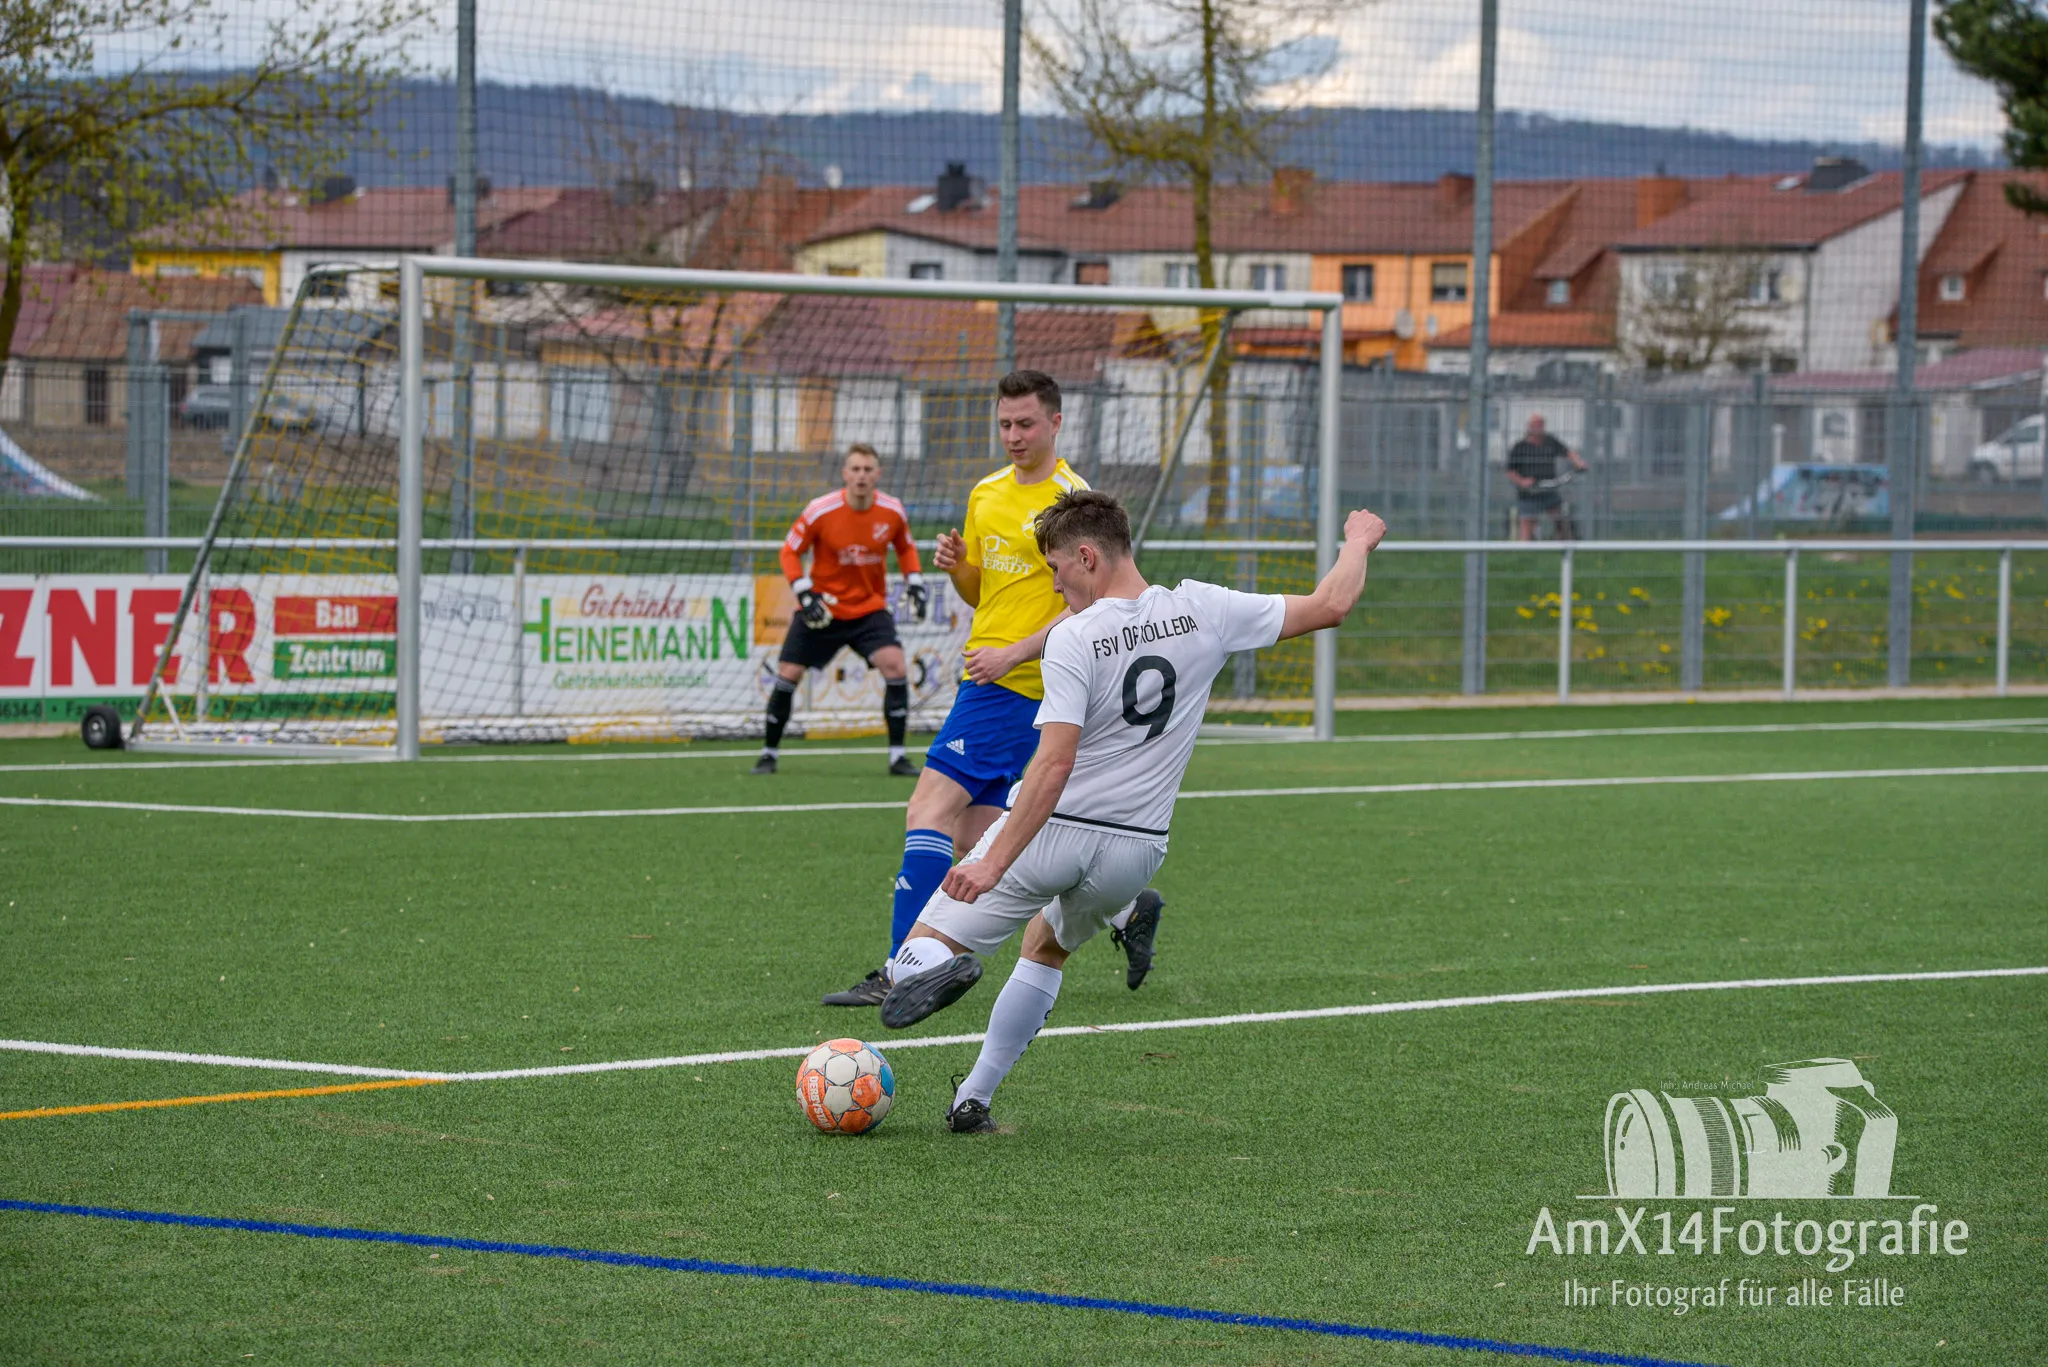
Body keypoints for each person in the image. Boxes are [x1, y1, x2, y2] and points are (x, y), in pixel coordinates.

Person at [880, 488, 1388, 1133]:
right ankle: (972, 1100)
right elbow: (1331, 604)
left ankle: (936, 968)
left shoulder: (1073, 636)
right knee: (1046, 947)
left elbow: (1053, 765)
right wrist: (1357, 542)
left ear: (1087, 557)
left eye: (1057, 571)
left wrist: (994, 862)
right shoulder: (1204, 608)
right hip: (1137, 851)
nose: (1056, 587)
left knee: (912, 955)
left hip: (1055, 833)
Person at [821, 371, 1162, 1008]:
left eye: (1025, 423)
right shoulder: (985, 493)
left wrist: (1015, 652)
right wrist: (960, 570)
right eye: (1004, 423)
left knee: (926, 809)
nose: (1013, 435)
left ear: (1055, 423)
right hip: (988, 675)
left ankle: (901, 971)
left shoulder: (1073, 501)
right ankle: (1127, 910)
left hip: (1022, 683)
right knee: (973, 836)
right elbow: (982, 593)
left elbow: (1091, 602)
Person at [754, 443, 928, 777]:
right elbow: (789, 552)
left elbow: (906, 548)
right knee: (788, 672)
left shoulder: (892, 510)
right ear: (845, 473)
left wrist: (916, 582)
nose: (861, 476)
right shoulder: (819, 510)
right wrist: (804, 592)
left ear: (877, 474)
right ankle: (768, 754)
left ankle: (897, 757)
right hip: (824, 608)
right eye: (856, 469)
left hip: (869, 608)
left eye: (868, 469)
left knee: (895, 665)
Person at [1505, 413, 1588, 542]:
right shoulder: (1520, 447)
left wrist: (1578, 462)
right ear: (1529, 427)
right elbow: (1510, 471)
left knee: (1561, 520)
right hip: (1529, 493)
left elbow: (1568, 452)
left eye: (1541, 424)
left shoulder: (1550, 441)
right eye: (1535, 425)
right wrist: (1522, 482)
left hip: (1549, 490)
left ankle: (1564, 546)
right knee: (1527, 526)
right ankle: (1524, 550)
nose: (1538, 428)